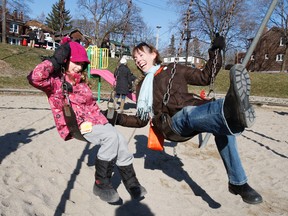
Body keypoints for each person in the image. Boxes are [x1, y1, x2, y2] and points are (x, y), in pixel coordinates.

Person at [104, 36, 263, 205]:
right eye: (135, 58)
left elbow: (205, 78)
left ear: (153, 54)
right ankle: (231, 109)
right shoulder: (142, 86)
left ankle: (238, 183)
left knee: (224, 127)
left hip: (196, 112)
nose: (138, 60)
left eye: (141, 55)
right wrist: (118, 117)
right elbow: (141, 120)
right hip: (172, 125)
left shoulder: (174, 69)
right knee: (195, 112)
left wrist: (215, 51)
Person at [27, 38, 146, 203]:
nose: (79, 67)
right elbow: (35, 78)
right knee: (111, 137)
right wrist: (54, 60)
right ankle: (101, 183)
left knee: (119, 139)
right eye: (76, 62)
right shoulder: (55, 82)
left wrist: (106, 118)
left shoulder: (81, 81)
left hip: (96, 121)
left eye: (82, 64)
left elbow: (91, 106)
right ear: (65, 60)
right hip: (77, 124)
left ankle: (131, 182)